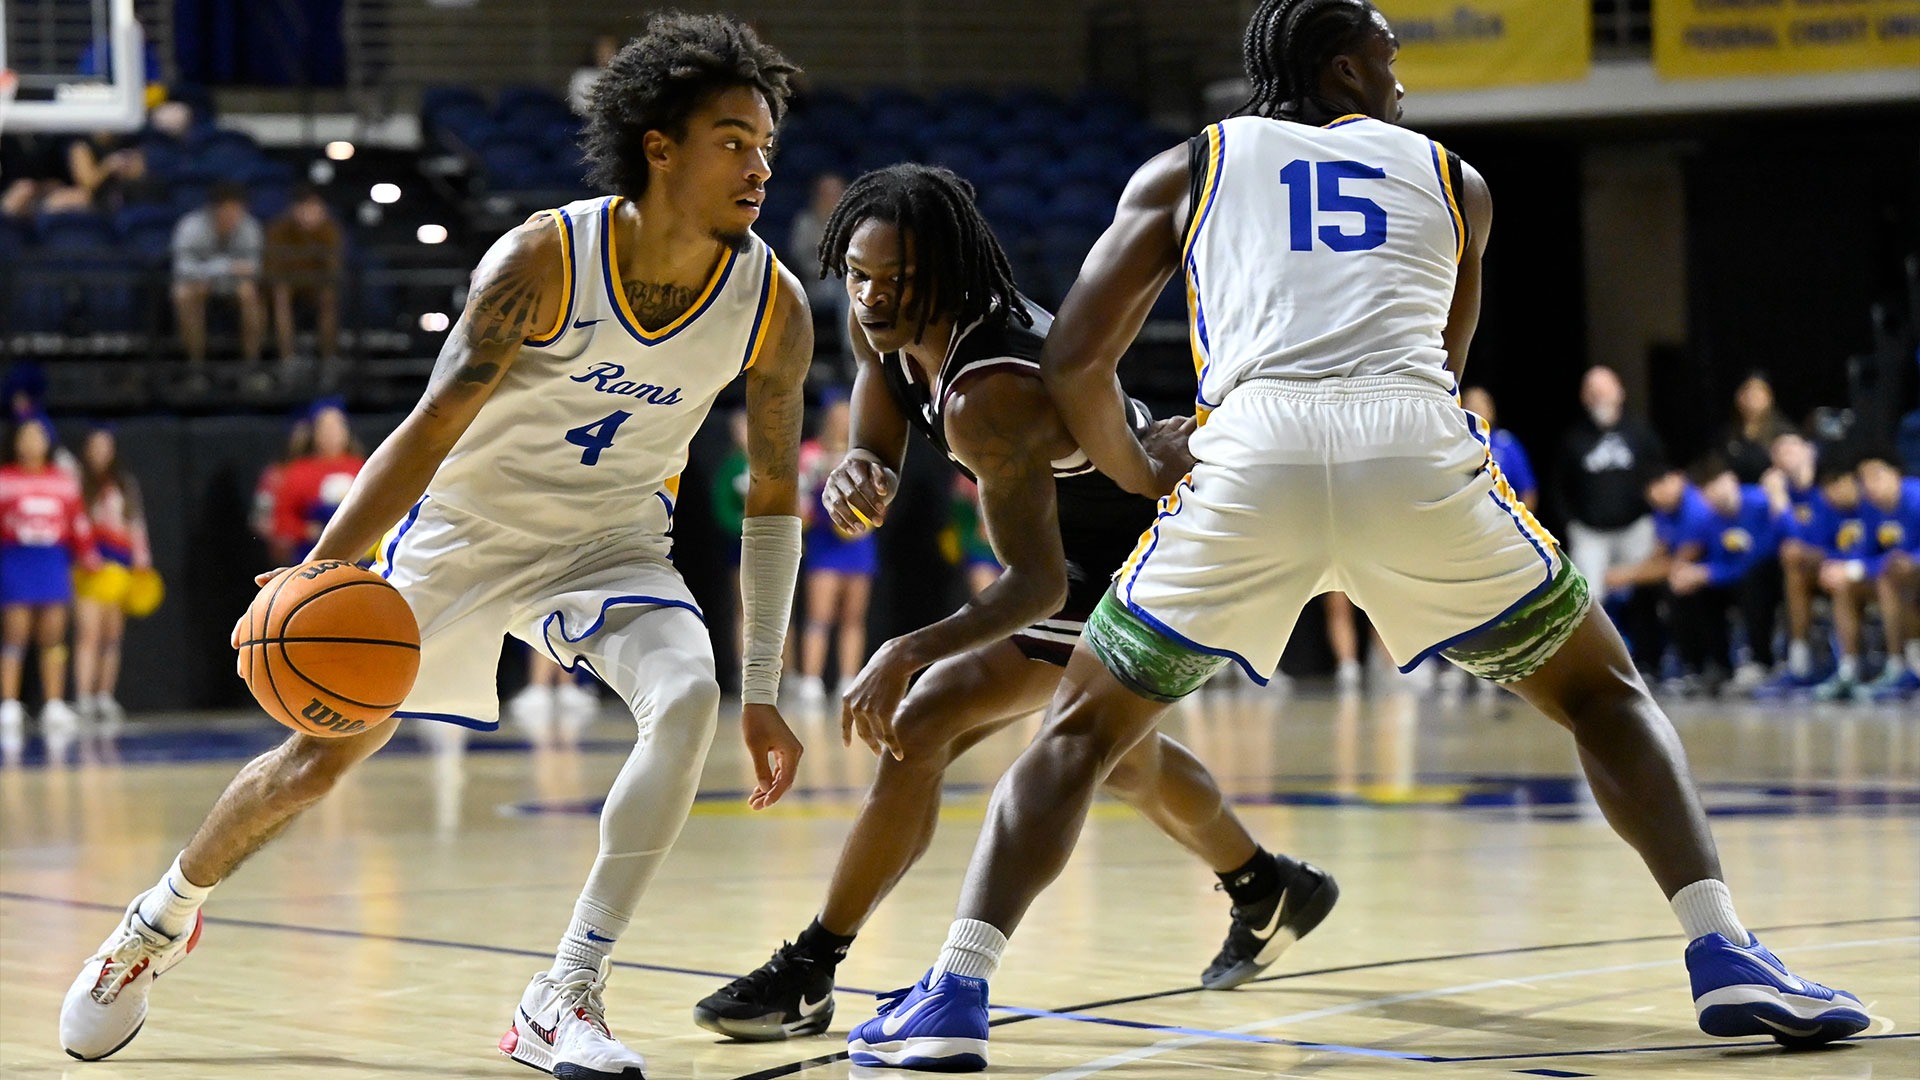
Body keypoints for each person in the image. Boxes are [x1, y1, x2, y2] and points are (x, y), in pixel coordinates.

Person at [846, 3, 1865, 1070]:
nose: (1402, 80)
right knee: (1604, 696)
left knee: (1079, 736)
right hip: (1409, 445)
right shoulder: (1457, 181)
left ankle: (956, 992)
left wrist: (1141, 467)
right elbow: (1443, 356)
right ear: (1342, 68)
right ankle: (1727, 956)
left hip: (1250, 458)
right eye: (1390, 59)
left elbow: (1076, 364)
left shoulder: (1186, 167)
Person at [60, 17, 813, 1079]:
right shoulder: (545, 259)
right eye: (735, 138)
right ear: (660, 144)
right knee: (317, 760)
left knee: (690, 696)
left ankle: (565, 994)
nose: (761, 164)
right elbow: (428, 426)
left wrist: (768, 686)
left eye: (767, 143)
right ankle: (153, 926)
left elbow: (775, 494)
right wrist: (326, 565)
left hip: (609, 544)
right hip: (464, 532)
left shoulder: (771, 304)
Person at [695, 164, 1332, 1043]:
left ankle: (814, 965)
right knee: (1121, 756)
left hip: (1152, 548)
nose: (873, 296)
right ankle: (1268, 887)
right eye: (859, 274)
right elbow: (877, 436)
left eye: (895, 279)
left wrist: (901, 650)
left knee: (933, 723)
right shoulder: (883, 325)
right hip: (1094, 546)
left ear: (947, 275)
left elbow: (1038, 585)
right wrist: (859, 466)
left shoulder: (990, 392)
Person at [1553, 365, 1666, 673]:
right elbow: (1560, 487)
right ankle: (1595, 664)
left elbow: (1660, 478)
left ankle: (1650, 659)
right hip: (1591, 531)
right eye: (1592, 391)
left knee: (1647, 588)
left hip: (1636, 526)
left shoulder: (1640, 433)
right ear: (1583, 397)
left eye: (1604, 389)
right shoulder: (1573, 439)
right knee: (1586, 596)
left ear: (1620, 392)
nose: (1598, 396)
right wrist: (1572, 523)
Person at [0, 417, 97, 741]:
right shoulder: (4, 479)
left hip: (52, 561)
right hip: (16, 558)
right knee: (15, 633)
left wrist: (87, 555)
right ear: (16, 442)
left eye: (38, 436)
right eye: (25, 436)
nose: (31, 443)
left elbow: (78, 522)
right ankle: (10, 704)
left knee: (53, 634)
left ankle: (54, 703)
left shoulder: (64, 481)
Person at [791, 390, 879, 707]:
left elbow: (879, 497)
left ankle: (849, 679)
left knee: (853, 617)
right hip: (824, 542)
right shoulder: (811, 454)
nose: (842, 422)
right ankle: (811, 680)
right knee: (819, 614)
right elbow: (798, 500)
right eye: (837, 416)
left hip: (858, 540)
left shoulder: (864, 455)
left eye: (847, 415)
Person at [1665, 458, 1780, 694]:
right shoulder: (1709, 521)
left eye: (1719, 484)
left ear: (1732, 480)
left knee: (1751, 580)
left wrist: (1709, 573)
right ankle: (1712, 665)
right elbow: (1716, 560)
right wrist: (1693, 574)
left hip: (1770, 577)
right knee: (1690, 587)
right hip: (1735, 579)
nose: (1716, 494)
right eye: (1708, 491)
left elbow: (1758, 557)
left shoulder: (1760, 504)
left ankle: (1762, 661)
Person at [73, 426, 152, 727]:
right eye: (95, 446)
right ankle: (83, 697)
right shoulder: (77, 481)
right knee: (88, 633)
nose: (101, 453)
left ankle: (104, 695)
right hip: (89, 567)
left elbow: (136, 523)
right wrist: (85, 555)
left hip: (119, 566)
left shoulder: (123, 484)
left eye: (107, 447)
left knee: (112, 634)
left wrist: (141, 561)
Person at [1801, 457, 1873, 701]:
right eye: (1827, 489)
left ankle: (1901, 666)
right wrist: (1832, 564)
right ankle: (1847, 669)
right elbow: (1817, 546)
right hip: (1854, 577)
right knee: (1838, 584)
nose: (1832, 495)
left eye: (1836, 486)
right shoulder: (1828, 510)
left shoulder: (1874, 504)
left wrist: (1850, 566)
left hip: (1880, 575)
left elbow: (1883, 549)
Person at [171, 182, 265, 367]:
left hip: (234, 284)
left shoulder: (250, 227)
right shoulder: (191, 226)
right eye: (227, 211)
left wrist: (231, 272)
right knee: (183, 294)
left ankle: (252, 366)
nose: (232, 216)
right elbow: (182, 267)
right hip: (198, 282)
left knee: (250, 293)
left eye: (237, 211)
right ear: (213, 210)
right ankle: (195, 365)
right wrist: (225, 267)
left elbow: (255, 267)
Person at [1854, 451, 1920, 697]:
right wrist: (1850, 569)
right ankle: (1850, 670)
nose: (1870, 484)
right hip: (1898, 576)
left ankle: (1910, 662)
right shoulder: (1871, 508)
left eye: (1876, 476)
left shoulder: (1916, 496)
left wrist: (1912, 560)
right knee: (1849, 585)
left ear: (1895, 474)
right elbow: (1865, 554)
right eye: (1864, 479)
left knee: (1896, 576)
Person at [1761, 431, 1822, 685]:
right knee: (1787, 564)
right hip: (1802, 566)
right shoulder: (1777, 494)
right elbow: (1782, 539)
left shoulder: (1826, 481)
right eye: (1781, 452)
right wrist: (1778, 500)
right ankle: (1798, 659)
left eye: (1793, 447)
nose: (1789, 455)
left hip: (1837, 555)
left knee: (1794, 558)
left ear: (1809, 451)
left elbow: (1816, 536)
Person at [270, 399, 365, 563]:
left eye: (338, 426)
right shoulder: (298, 472)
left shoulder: (360, 467)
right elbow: (281, 519)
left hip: (358, 553)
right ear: (315, 433)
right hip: (312, 556)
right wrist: (305, 531)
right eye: (326, 428)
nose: (333, 433)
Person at [263, 186, 344, 371]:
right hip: (287, 285)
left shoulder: (329, 231)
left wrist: (311, 236)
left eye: (315, 208)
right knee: (280, 294)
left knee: (328, 296)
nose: (310, 213)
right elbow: (273, 269)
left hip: (316, 285)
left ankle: (329, 359)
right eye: (305, 208)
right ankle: (288, 359)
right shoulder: (278, 229)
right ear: (294, 209)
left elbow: (333, 269)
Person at [250, 414, 313, 568]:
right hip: (289, 552)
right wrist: (300, 531)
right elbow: (260, 520)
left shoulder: (334, 468)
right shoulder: (276, 475)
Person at [1461, 385, 1536, 509]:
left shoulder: (1507, 444)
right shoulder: (1453, 444)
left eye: (1482, 403)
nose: (1476, 408)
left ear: (1491, 410)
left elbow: (1528, 490)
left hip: (1500, 520)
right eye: (1470, 403)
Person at [1718, 372, 1794, 485]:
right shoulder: (1728, 433)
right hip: (1736, 492)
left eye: (1758, 392)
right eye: (1746, 391)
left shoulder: (1783, 431)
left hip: (1773, 489)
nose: (1751, 397)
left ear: (1769, 397)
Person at [569, 32, 622, 115]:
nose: (607, 54)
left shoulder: (623, 75)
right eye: (603, 50)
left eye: (611, 48)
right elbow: (584, 107)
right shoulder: (584, 76)